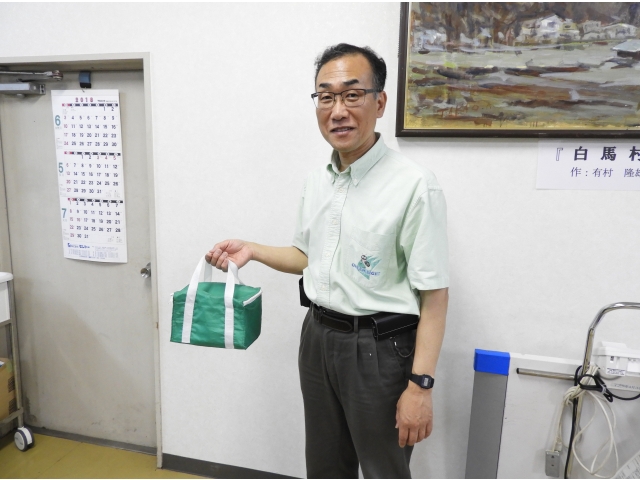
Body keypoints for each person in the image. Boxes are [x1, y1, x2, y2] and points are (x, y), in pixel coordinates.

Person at [206, 43, 449, 479]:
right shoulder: (318, 181)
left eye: (352, 95)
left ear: (379, 102)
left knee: (384, 471)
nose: (338, 111)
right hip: (317, 339)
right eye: (326, 97)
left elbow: (434, 296)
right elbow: (306, 256)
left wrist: (420, 387)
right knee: (324, 468)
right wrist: (253, 250)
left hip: (379, 350)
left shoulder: (414, 185)